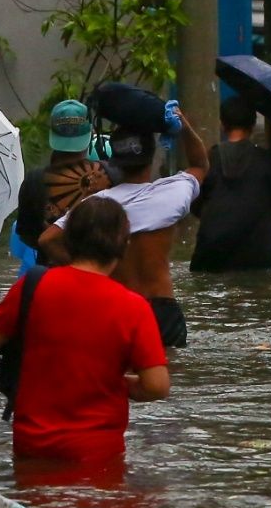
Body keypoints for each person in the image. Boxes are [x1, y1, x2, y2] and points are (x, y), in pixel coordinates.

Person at [0, 198, 169, 466]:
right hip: (99, 451)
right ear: (124, 244)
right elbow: (157, 386)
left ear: (68, 239)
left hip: (32, 446)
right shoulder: (134, 307)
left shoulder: (33, 285)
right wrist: (116, 381)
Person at [39, 104, 208, 349]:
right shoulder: (174, 192)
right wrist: (183, 126)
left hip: (119, 305)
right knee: (165, 379)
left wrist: (88, 274)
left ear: (114, 161)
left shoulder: (97, 205)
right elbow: (201, 164)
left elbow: (47, 240)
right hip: (163, 311)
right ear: (151, 157)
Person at [190, 94, 271, 273]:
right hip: (258, 259)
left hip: (209, 257)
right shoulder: (269, 161)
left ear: (222, 123)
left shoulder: (208, 160)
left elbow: (195, 206)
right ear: (253, 126)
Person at [12, 99, 114, 270]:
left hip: (52, 277)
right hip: (103, 277)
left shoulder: (34, 180)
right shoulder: (109, 174)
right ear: (89, 136)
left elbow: (25, 234)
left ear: (53, 135)